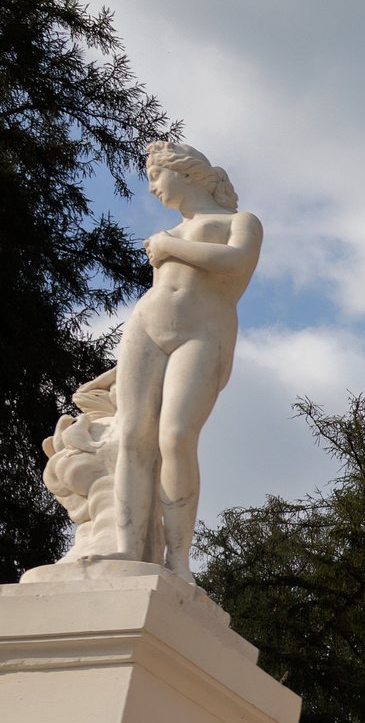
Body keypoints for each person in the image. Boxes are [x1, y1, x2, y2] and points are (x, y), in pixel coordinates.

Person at [112, 142, 263, 574]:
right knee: (131, 435)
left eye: (155, 175)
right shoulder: (170, 234)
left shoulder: (240, 222)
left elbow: (237, 261)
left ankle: (178, 560)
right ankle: (128, 549)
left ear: (184, 173)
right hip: (146, 326)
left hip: (204, 333)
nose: (152, 187)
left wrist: (170, 247)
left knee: (176, 435)